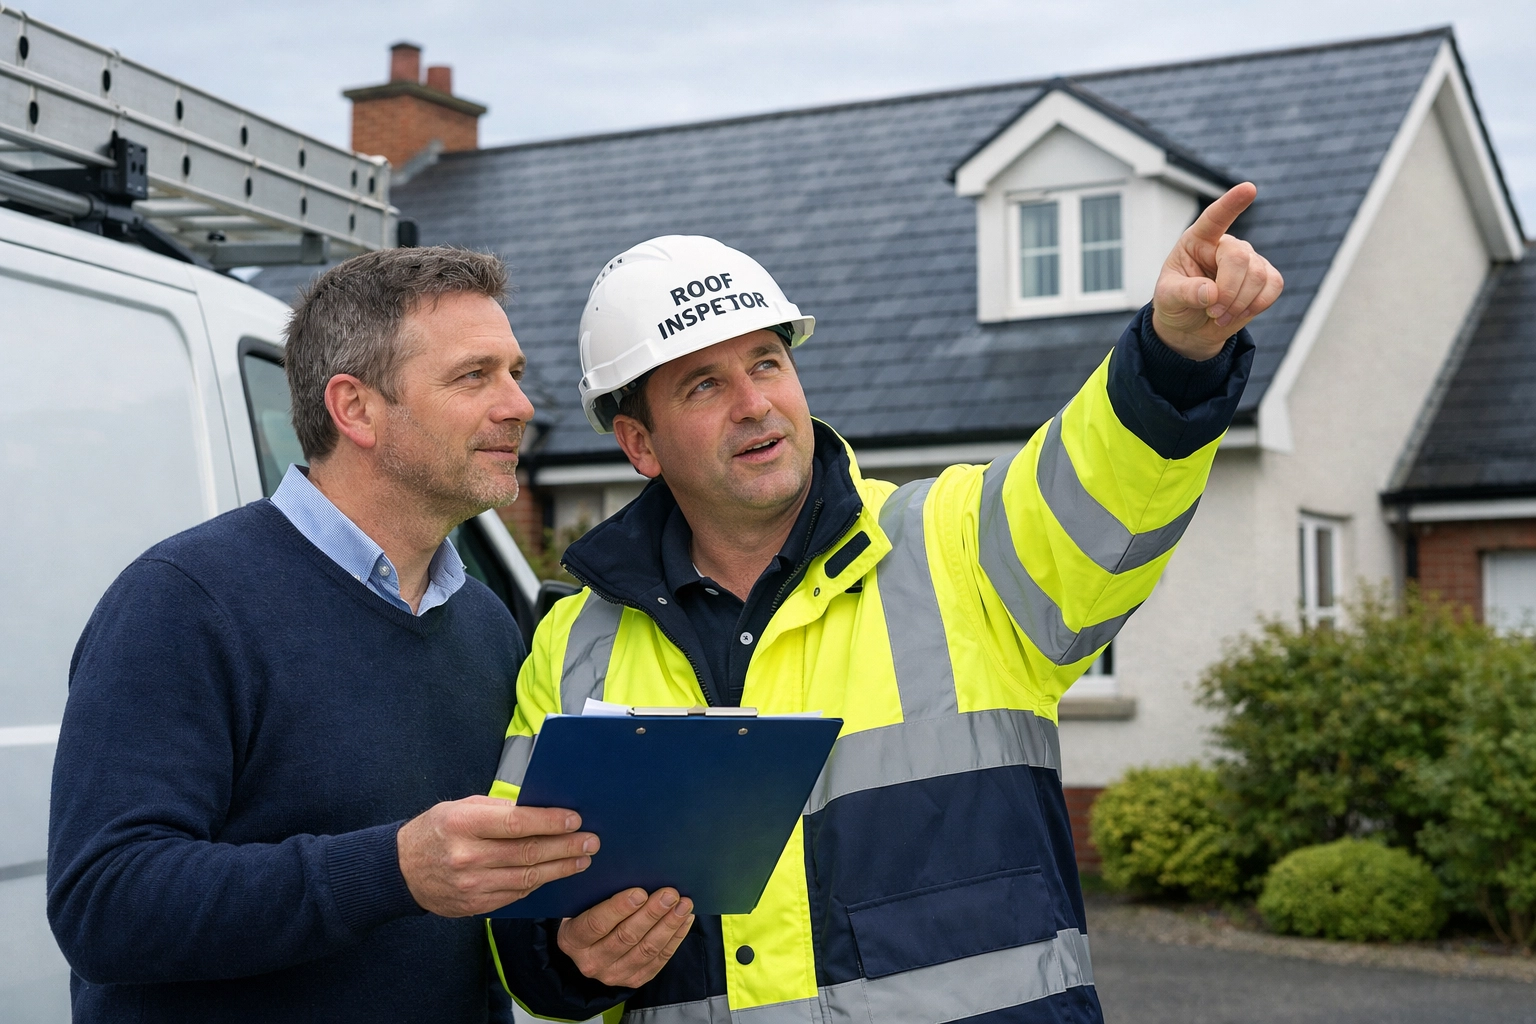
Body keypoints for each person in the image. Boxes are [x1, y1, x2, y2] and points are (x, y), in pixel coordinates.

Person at [486, 183, 1282, 1022]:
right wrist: (568, 961)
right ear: (639, 443)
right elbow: (516, 897)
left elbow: (1100, 486)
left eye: (767, 362)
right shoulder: (573, 643)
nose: (756, 403)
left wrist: (1172, 356)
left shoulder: (957, 547)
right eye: (703, 386)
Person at [47, 247, 662, 1023]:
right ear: (356, 409)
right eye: (475, 376)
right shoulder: (182, 602)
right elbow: (104, 905)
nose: (520, 405)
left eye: (513, 371)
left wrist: (576, 964)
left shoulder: (484, 624)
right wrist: (392, 869)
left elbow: (490, 920)